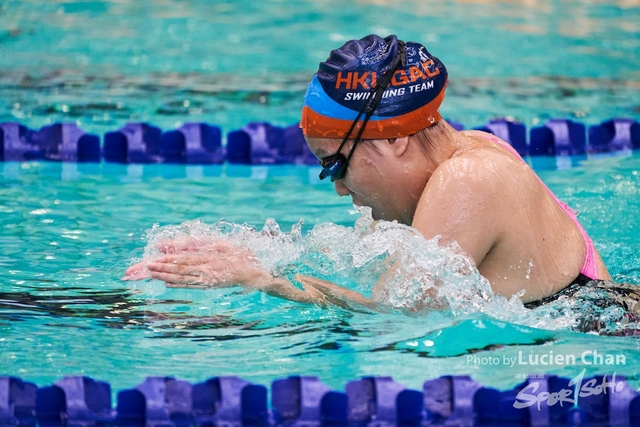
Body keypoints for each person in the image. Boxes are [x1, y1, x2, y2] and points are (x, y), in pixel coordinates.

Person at [123, 34, 612, 309]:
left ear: (395, 139)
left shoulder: (468, 181)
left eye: (336, 164)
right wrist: (244, 253)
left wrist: (258, 279)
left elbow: (391, 319)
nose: (338, 188)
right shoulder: (476, 147)